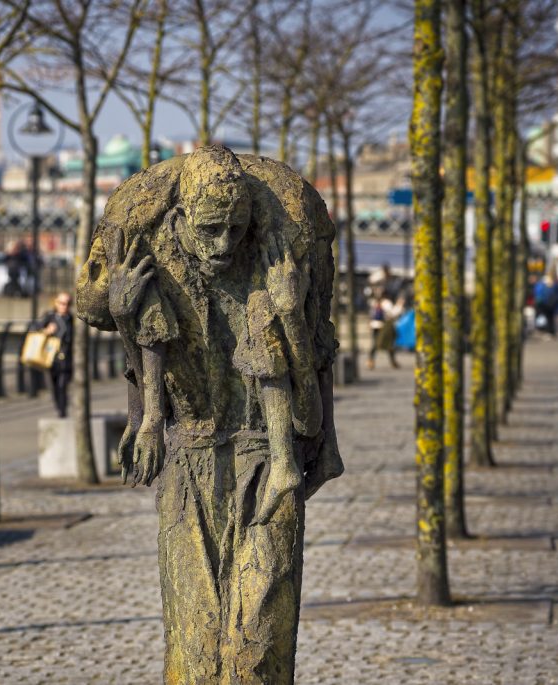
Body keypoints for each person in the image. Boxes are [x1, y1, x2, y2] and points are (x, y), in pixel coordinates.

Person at [76, 145, 342, 683]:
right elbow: (99, 309)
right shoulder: (153, 259)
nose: (223, 245)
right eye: (210, 228)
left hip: (268, 457)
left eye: (235, 227)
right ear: (181, 218)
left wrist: (322, 444)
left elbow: (318, 352)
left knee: (259, 635)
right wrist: (123, 315)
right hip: (190, 457)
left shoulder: (277, 254)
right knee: (194, 643)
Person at [35, 292, 74, 416]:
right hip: (52, 357)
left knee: (63, 384)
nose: (65, 306)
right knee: (55, 385)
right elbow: (34, 328)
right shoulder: (50, 317)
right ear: (56, 303)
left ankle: (62, 412)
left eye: (68, 304)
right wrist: (46, 330)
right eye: (62, 303)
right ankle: (59, 406)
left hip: (67, 357)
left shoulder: (70, 319)